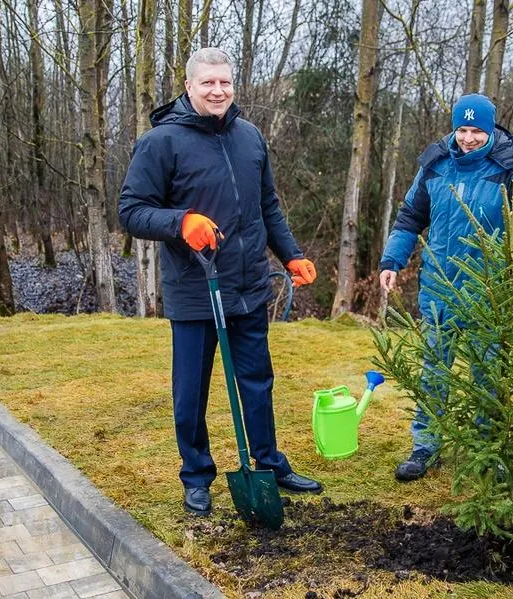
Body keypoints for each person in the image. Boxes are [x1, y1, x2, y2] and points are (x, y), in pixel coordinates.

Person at [119, 48, 323, 516]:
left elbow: (267, 205)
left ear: (234, 86)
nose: (218, 91)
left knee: (257, 380)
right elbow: (131, 211)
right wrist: (180, 221)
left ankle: (269, 463)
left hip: (250, 285)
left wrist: (290, 255)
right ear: (188, 87)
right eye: (208, 83)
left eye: (225, 83)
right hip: (196, 288)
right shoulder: (161, 142)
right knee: (191, 390)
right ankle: (196, 475)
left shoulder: (250, 137)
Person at [379, 93, 513, 482]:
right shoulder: (436, 163)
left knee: (486, 372)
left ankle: (486, 449)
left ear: (491, 129)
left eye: (478, 130)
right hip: (439, 286)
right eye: (463, 129)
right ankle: (426, 447)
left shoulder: (507, 161)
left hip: (487, 290)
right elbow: (410, 217)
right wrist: (392, 260)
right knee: (434, 371)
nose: (470, 138)